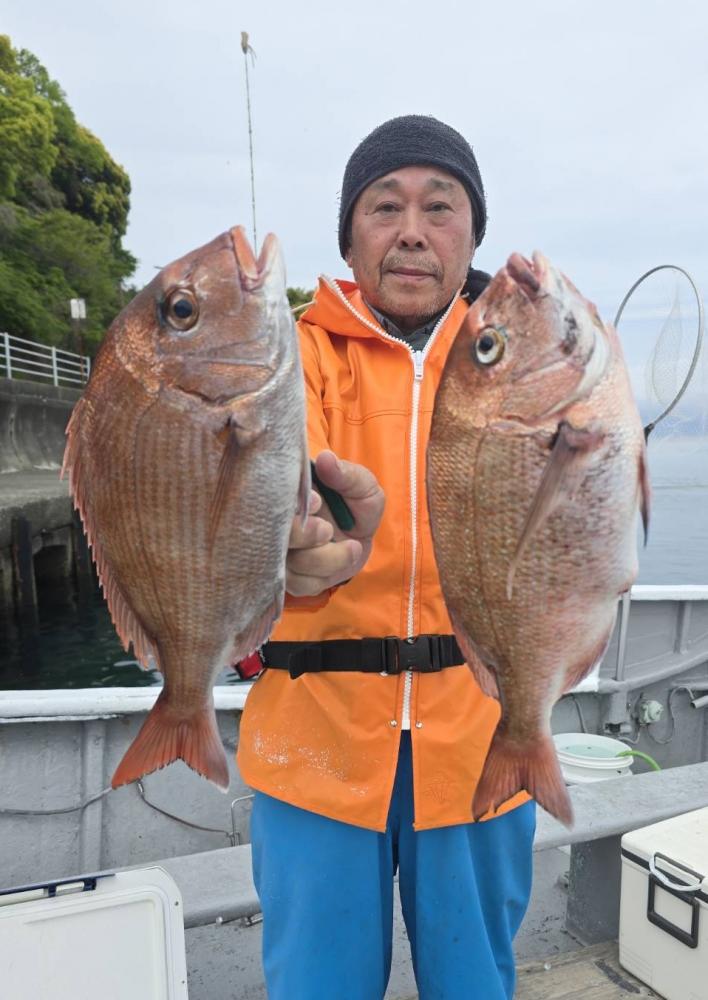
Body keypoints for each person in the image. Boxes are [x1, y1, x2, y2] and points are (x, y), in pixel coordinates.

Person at [237, 115, 535, 1000]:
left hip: (482, 739)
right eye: (384, 206)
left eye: (439, 207)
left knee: (476, 981)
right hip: (314, 745)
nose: (412, 231)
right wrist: (298, 546)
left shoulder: (520, 357)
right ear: (349, 236)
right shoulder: (288, 352)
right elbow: (268, 485)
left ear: (472, 235)